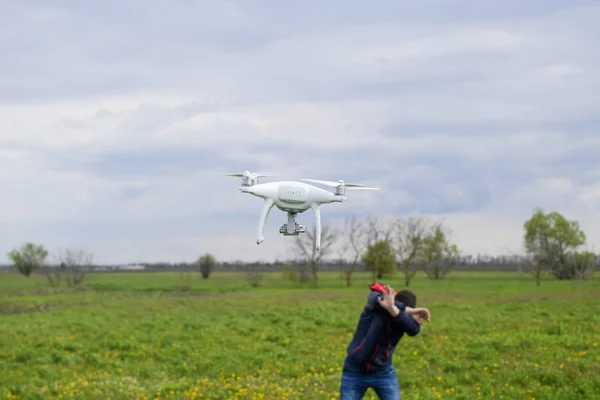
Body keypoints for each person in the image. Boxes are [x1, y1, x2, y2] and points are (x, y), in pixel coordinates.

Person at [339, 283, 431, 400]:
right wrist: (404, 309)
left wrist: (394, 310)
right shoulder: (376, 307)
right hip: (354, 370)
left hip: (383, 372)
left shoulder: (403, 321)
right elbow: (373, 296)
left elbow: (414, 330)